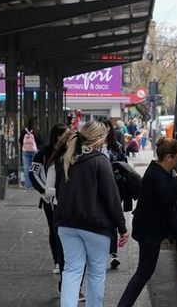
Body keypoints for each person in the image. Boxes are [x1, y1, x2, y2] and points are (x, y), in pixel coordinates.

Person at [54, 121, 130, 307]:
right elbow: (112, 198)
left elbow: (58, 191)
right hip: (95, 226)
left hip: (65, 224)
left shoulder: (67, 158)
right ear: (101, 138)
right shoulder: (100, 161)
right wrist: (122, 227)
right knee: (96, 273)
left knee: (71, 271)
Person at [117, 137, 177, 307]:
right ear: (168, 157)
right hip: (149, 231)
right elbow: (166, 195)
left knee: (144, 271)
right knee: (144, 272)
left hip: (148, 229)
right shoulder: (157, 174)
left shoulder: (157, 170)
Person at [28, 123, 70, 275]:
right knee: (54, 231)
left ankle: (65, 260)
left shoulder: (70, 151)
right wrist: (45, 191)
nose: (70, 136)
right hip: (49, 199)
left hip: (67, 198)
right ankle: (58, 261)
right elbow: (33, 173)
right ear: (58, 136)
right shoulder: (43, 153)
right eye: (67, 134)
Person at [98, 118, 128, 269]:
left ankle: (112, 254)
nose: (105, 130)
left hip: (115, 187)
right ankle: (102, 250)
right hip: (96, 190)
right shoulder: (91, 147)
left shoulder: (117, 146)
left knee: (113, 217)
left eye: (107, 127)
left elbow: (125, 165)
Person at [19, 117, 43, 190]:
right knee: (35, 168)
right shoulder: (36, 131)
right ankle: (35, 184)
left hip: (25, 151)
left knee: (26, 168)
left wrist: (26, 146)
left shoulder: (24, 131)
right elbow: (41, 141)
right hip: (35, 151)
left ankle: (27, 185)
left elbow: (20, 141)